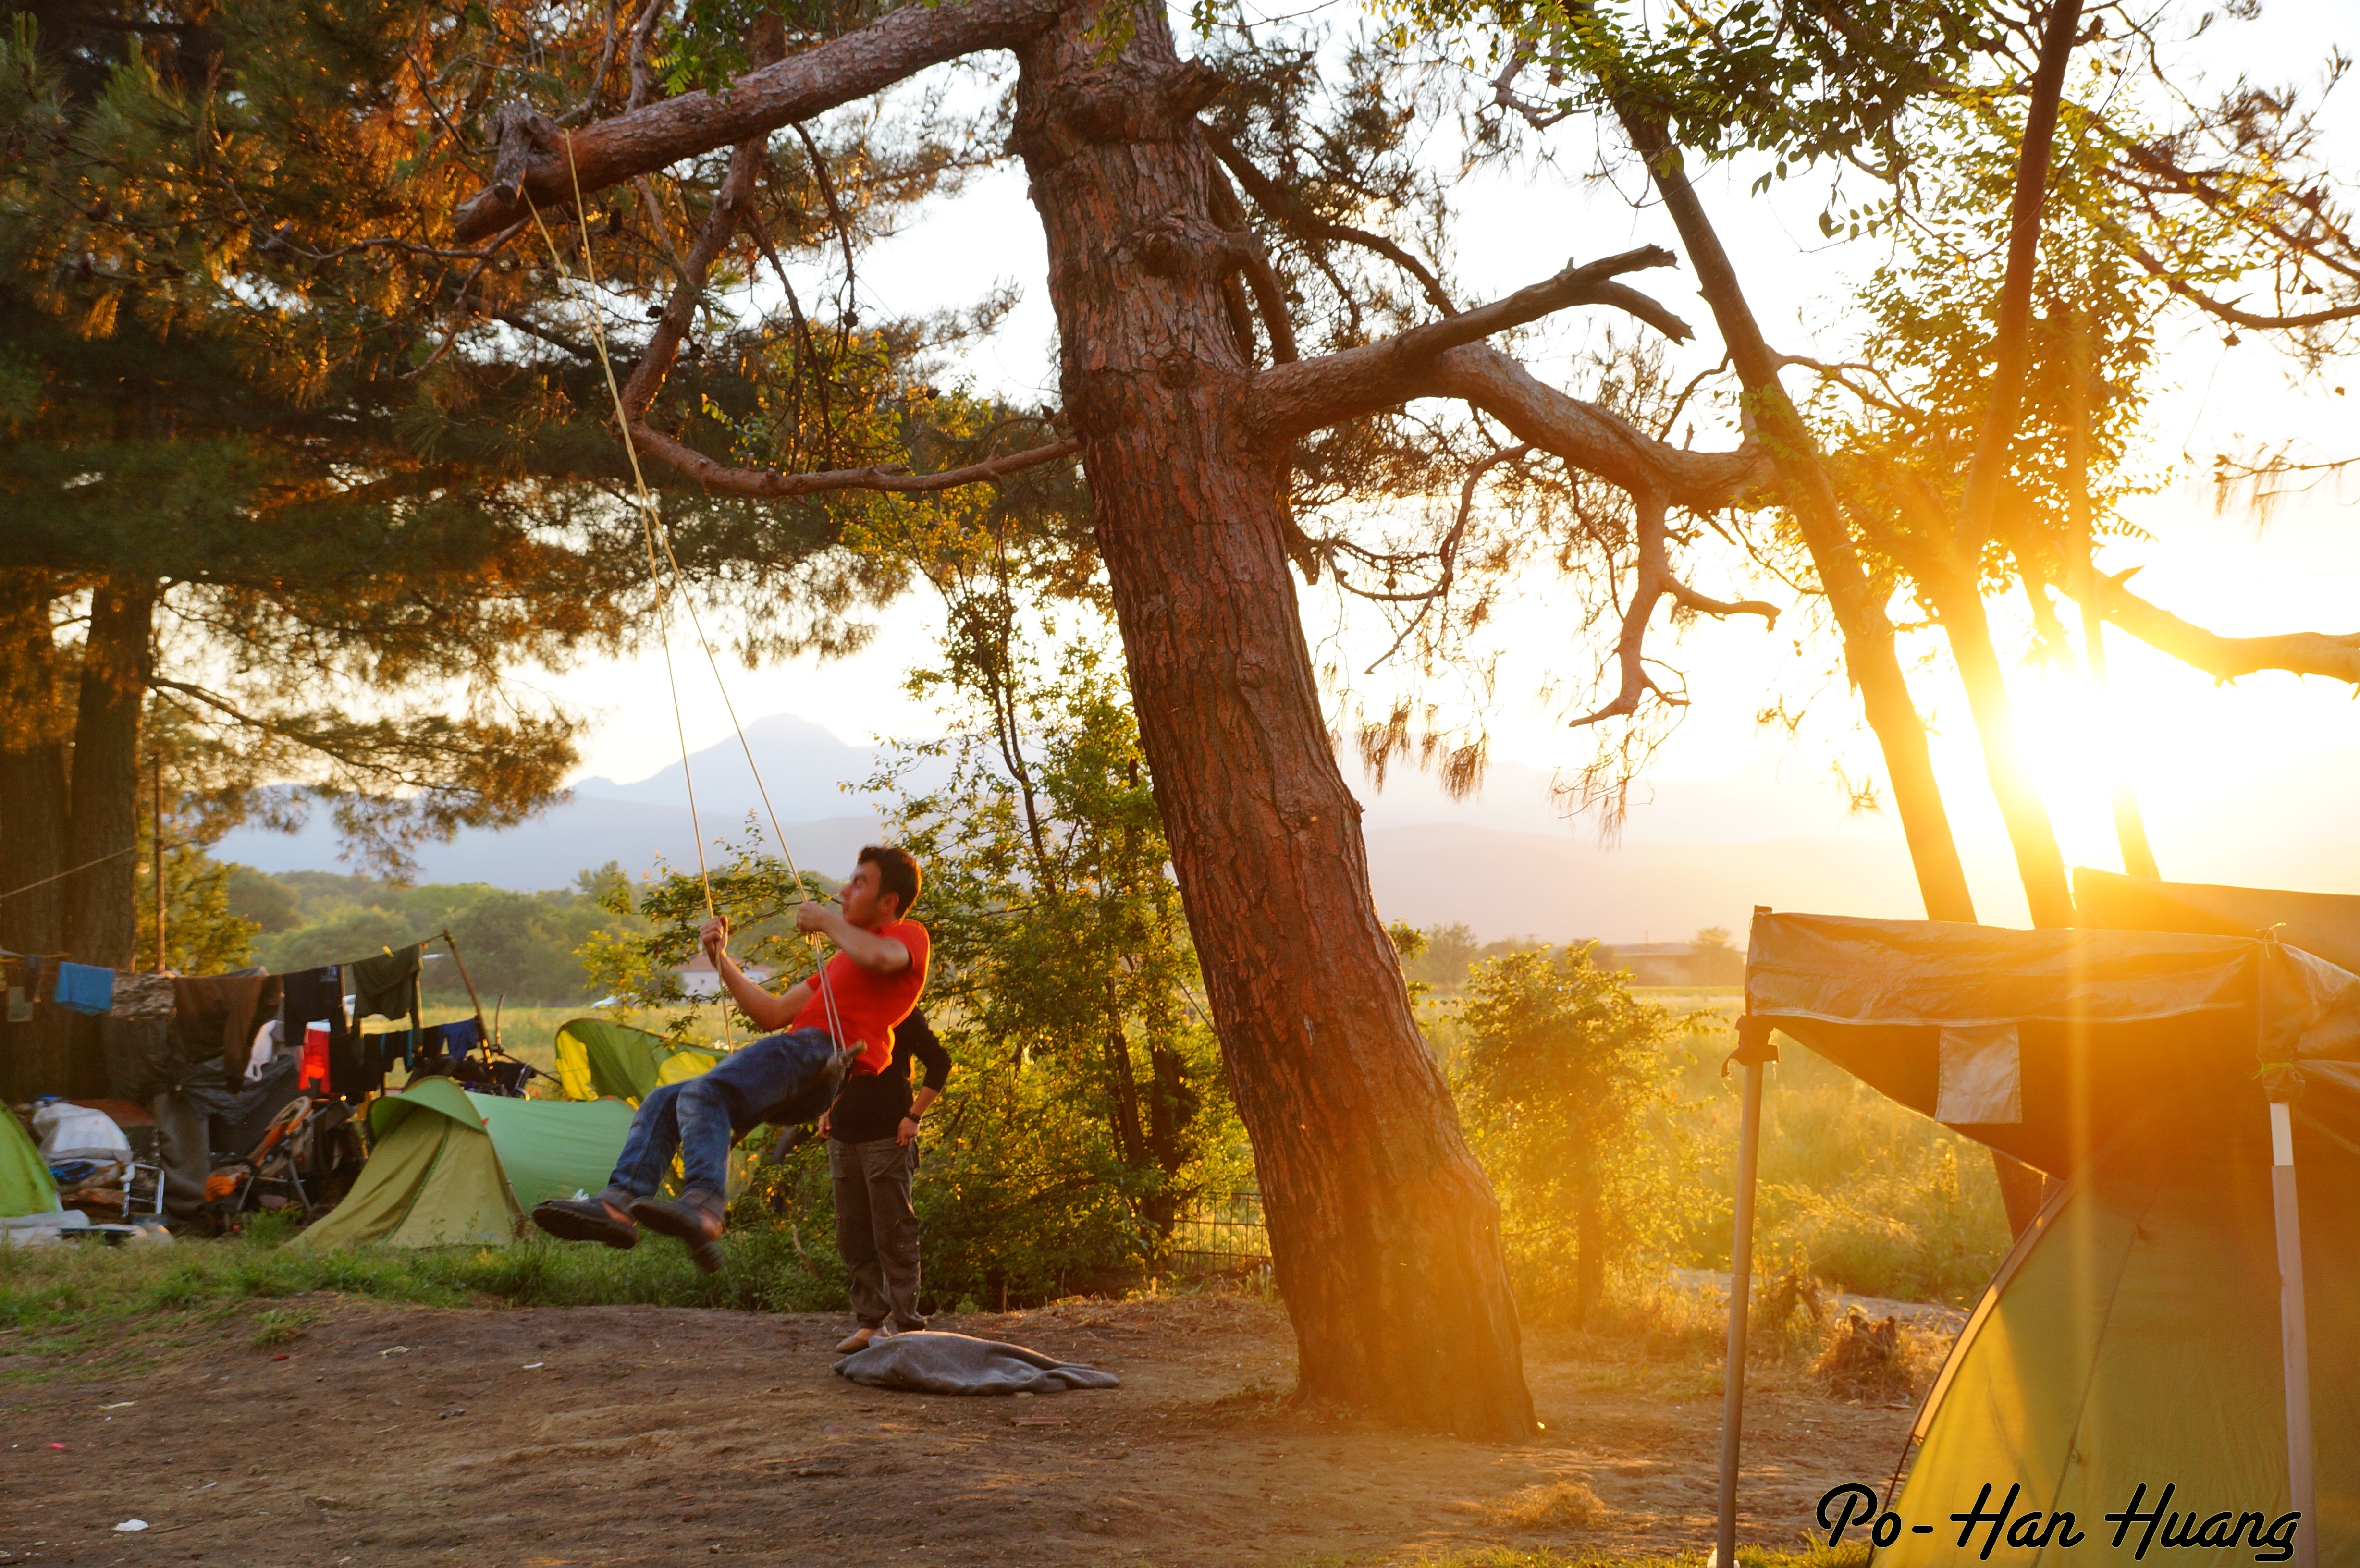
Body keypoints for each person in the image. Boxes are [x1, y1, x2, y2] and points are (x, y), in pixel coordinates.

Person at [532, 845, 929, 1272]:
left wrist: (825, 921)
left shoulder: (907, 936)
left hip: (820, 1056)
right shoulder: (839, 963)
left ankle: (703, 1205)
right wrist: (720, 961)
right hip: (800, 1066)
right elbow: (771, 1014)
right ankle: (619, 1204)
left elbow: (882, 958)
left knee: (705, 1093)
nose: (844, 891)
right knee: (665, 1101)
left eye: (859, 883)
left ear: (889, 903)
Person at [823, 1002, 952, 1353]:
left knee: (894, 1234)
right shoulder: (842, 1010)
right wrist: (827, 1109)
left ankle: (910, 1328)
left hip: (888, 1139)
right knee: (852, 1236)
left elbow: (940, 1062)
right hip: (843, 1139)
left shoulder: (902, 1010)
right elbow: (838, 1068)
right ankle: (871, 1325)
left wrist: (914, 1116)